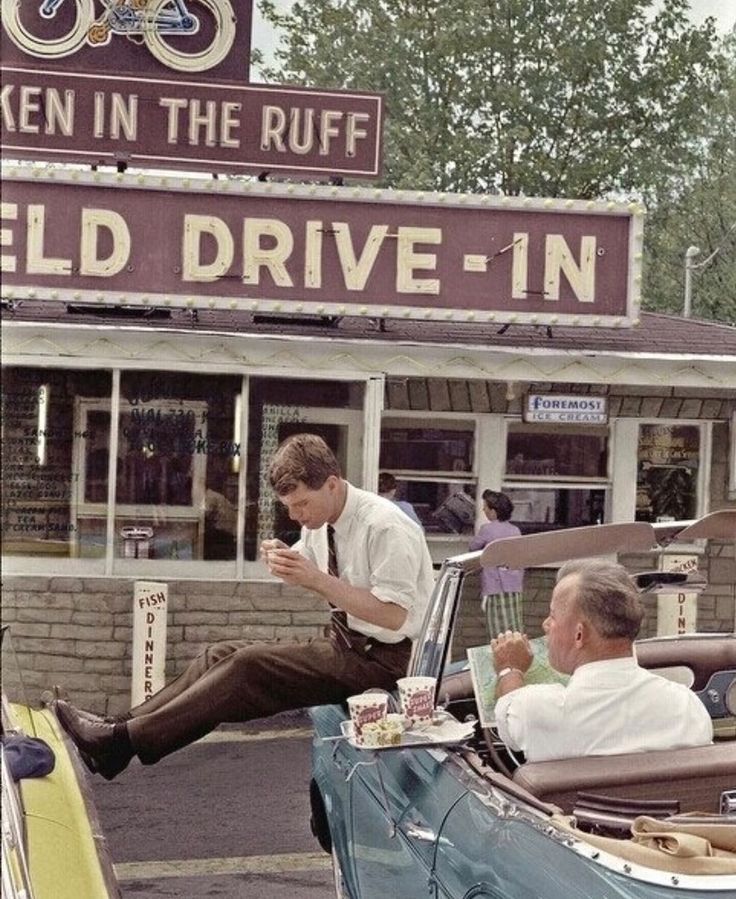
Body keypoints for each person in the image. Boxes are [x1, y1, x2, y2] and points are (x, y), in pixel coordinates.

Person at [54, 434, 435, 780]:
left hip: (387, 662)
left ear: (332, 484)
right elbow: (312, 565)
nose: (296, 515)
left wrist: (314, 578)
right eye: (289, 506)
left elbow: (393, 615)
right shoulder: (321, 520)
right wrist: (285, 561)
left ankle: (120, 743)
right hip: (346, 645)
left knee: (246, 667)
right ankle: (117, 729)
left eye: (302, 503)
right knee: (218, 654)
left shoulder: (386, 526)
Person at [490, 558, 713, 763]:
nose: (546, 624)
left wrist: (509, 669)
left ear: (579, 635)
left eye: (553, 616)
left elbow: (509, 712)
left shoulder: (536, 710)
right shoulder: (686, 706)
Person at [469, 490, 523, 636]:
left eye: (486, 507)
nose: (483, 510)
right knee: (514, 625)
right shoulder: (515, 530)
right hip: (514, 584)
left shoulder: (487, 530)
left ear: (493, 511)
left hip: (494, 584)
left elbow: (473, 547)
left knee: (496, 628)